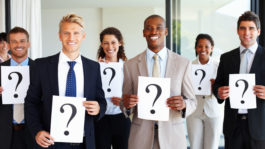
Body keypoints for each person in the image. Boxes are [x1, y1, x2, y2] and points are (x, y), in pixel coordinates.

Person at [25, 14, 106, 149]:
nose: (71, 38)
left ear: (83, 36)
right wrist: (37, 131)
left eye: (76, 33)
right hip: (51, 141)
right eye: (66, 33)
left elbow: (101, 100)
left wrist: (99, 108)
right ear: (60, 36)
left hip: (85, 142)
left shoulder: (93, 67)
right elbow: (31, 102)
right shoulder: (41, 66)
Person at [121, 14, 196, 149]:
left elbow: (192, 101)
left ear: (166, 31)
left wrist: (184, 104)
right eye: (149, 28)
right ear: (144, 33)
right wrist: (126, 104)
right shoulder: (130, 65)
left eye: (158, 28)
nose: (154, 32)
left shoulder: (183, 63)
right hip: (141, 137)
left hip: (172, 137)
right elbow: (124, 102)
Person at [213, 11, 265, 149]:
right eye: (242, 28)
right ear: (237, 31)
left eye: (251, 28)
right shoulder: (226, 58)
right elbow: (217, 84)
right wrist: (219, 92)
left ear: (258, 31)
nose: (246, 32)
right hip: (233, 126)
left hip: (260, 127)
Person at [95, 27, 131, 149]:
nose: (110, 47)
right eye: (106, 43)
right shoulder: (94, 67)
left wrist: (124, 101)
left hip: (121, 117)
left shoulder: (128, 68)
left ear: (120, 43)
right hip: (101, 119)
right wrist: (97, 69)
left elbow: (134, 94)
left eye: (113, 42)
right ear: (101, 44)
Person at [0, 27, 35, 149]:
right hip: (5, 134)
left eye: (22, 41)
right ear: (9, 45)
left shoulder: (40, 69)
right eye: (14, 41)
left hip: (33, 133)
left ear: (28, 44)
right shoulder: (0, 70)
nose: (18, 45)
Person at [187, 34, 222, 149]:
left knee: (211, 146)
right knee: (195, 145)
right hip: (194, 111)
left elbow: (223, 91)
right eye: (200, 46)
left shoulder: (218, 66)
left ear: (212, 48)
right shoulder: (189, 66)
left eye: (206, 46)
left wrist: (215, 86)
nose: (203, 49)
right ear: (196, 48)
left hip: (213, 111)